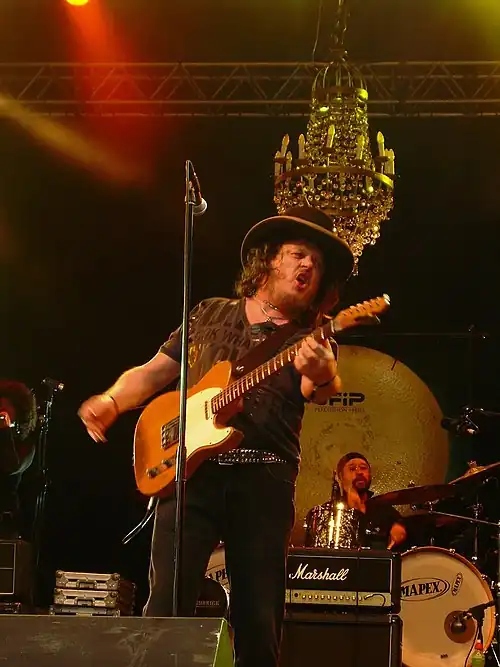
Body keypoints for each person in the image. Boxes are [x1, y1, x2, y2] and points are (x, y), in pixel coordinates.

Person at [78, 205, 355, 667]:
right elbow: (153, 373)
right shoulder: (209, 313)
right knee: (164, 608)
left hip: (263, 481)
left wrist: (324, 372)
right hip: (191, 474)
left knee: (258, 617)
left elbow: (319, 389)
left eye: (317, 262)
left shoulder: (314, 338)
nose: (308, 265)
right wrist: (112, 400)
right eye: (298, 254)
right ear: (270, 259)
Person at [339, 452, 407, 549]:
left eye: (363, 468)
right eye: (352, 469)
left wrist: (400, 526)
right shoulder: (331, 511)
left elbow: (401, 524)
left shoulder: (383, 509)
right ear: (341, 477)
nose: (359, 472)